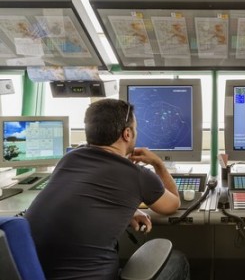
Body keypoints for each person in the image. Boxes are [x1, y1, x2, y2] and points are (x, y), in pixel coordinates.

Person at [25, 99, 190, 280]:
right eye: (135, 128)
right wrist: (158, 164)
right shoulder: (137, 175)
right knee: (177, 260)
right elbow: (173, 204)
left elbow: (77, 199)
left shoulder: (69, 159)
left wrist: (128, 211)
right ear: (127, 133)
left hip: (35, 274)